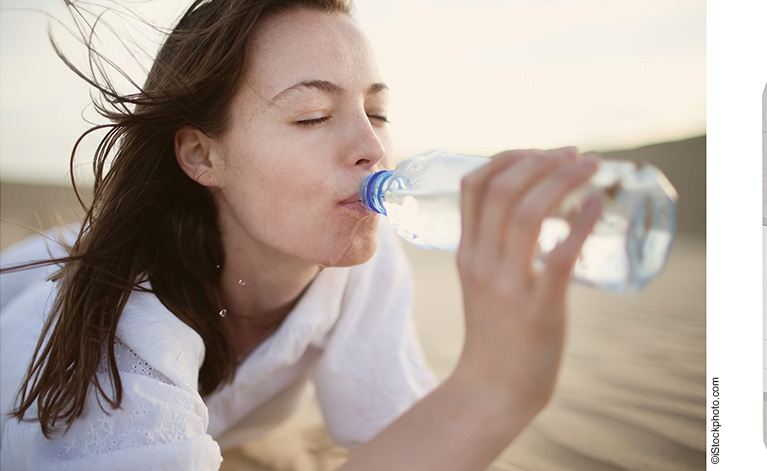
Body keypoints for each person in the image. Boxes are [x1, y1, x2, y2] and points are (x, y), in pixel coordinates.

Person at [0, 0, 601, 469]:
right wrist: (494, 392)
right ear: (202, 155)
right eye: (312, 116)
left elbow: (395, 435)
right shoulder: (121, 325)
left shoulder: (361, 256)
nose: (372, 149)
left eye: (379, 112)